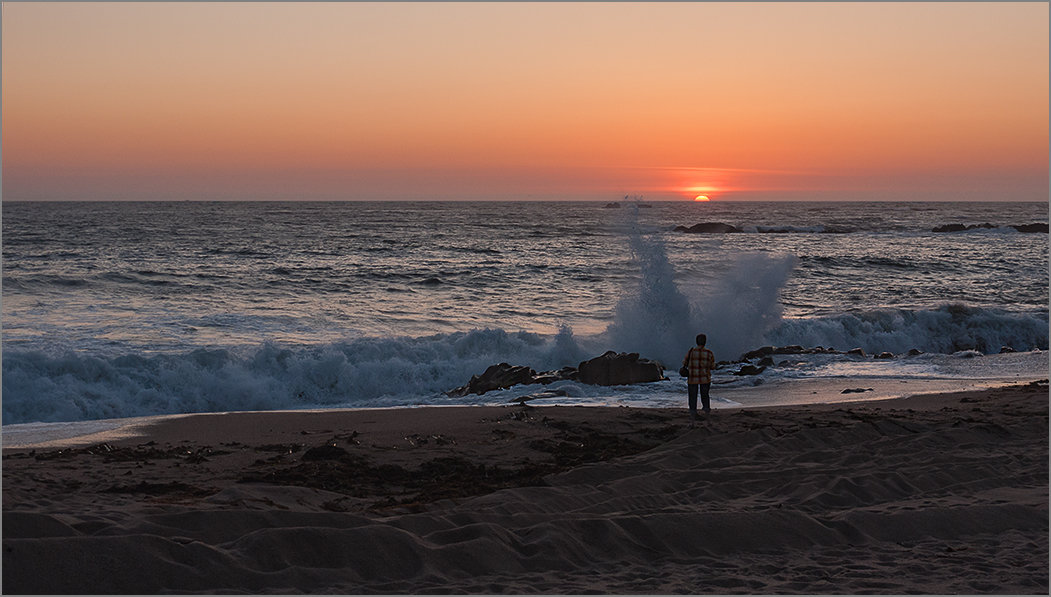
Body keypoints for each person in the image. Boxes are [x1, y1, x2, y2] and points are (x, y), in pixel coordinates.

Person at [682, 333, 715, 424]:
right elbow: (712, 366)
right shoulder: (709, 353)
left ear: (696, 342)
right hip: (705, 379)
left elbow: (684, 362)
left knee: (692, 398)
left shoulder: (691, 352)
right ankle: (708, 419)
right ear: (705, 342)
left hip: (692, 378)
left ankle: (692, 421)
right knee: (705, 396)